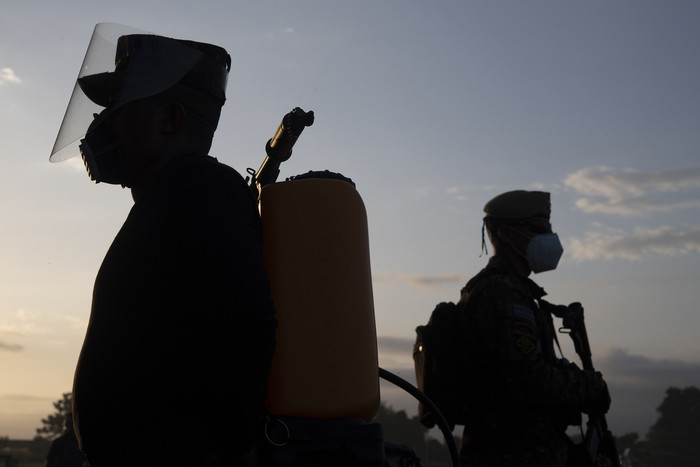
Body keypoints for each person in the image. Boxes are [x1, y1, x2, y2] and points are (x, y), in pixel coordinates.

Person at [51, 27, 276, 467]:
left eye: (119, 107)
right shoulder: (172, 198)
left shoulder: (201, 190)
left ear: (170, 119)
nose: (103, 123)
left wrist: (225, 450)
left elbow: (246, 324)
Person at [457, 190, 611, 467]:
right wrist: (590, 386)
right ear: (507, 234)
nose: (549, 238)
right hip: (508, 455)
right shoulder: (502, 292)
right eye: (539, 229)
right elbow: (528, 380)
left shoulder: (513, 290)